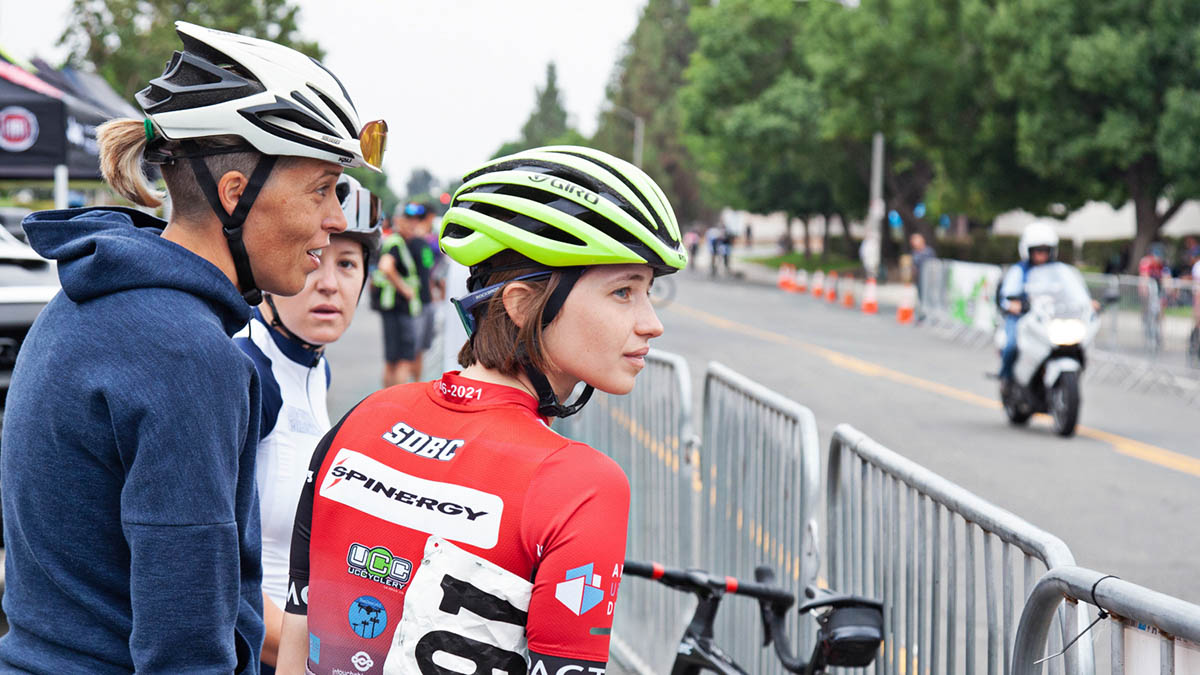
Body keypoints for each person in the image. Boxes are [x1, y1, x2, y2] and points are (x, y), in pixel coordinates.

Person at [0, 22, 384, 674]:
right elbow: (186, 648)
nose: (337, 220)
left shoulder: (90, 294)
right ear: (236, 194)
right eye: (320, 188)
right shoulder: (187, 356)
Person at [275, 145, 688, 675]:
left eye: (649, 293)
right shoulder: (583, 485)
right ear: (521, 306)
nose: (651, 323)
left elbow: (296, 643)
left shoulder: (363, 417)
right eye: (624, 292)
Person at [235, 174, 381, 673]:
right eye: (315, 257)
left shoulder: (315, 367)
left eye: (348, 264)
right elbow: (213, 575)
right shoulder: (248, 370)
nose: (329, 283)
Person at [997, 223, 1058, 381]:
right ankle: (1006, 376)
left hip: (1048, 318)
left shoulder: (1057, 271)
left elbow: (1068, 290)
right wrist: (1012, 304)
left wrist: (1087, 302)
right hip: (1023, 317)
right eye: (1038, 251)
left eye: (1046, 251)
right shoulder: (1019, 270)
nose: (1042, 255)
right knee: (1011, 346)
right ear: (1028, 251)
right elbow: (1005, 296)